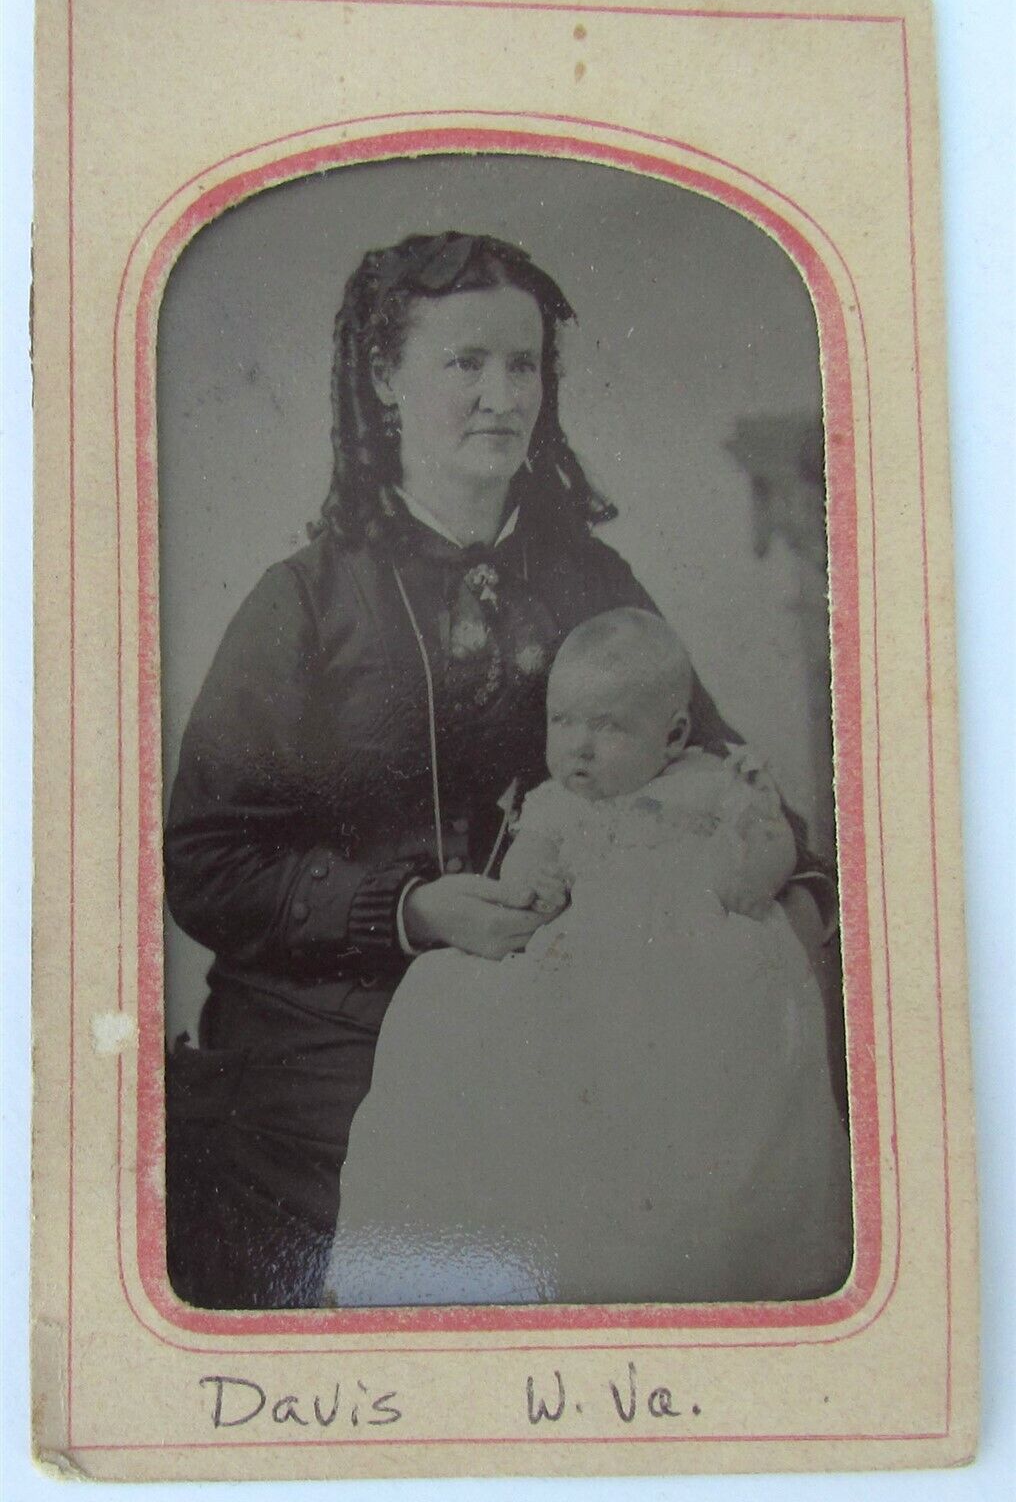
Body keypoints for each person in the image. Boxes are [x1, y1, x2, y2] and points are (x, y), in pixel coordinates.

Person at [163, 231, 835, 1310]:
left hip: (564, 1004)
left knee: (720, 1162)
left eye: (521, 365)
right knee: (465, 1198)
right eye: (462, 364)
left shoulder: (585, 579)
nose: (499, 396)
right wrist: (412, 908)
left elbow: (702, 758)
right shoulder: (303, 602)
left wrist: (782, 881)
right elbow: (204, 863)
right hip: (334, 1020)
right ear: (384, 380)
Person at [325, 611, 851, 1307]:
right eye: (562, 721)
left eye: (608, 727)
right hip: (582, 959)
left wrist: (754, 851)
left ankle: (713, 1249)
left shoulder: (707, 784)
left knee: (726, 1044)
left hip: (687, 952)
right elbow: (531, 857)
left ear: (674, 736)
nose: (579, 748)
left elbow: (768, 851)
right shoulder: (554, 805)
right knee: (450, 1002)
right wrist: (528, 881)